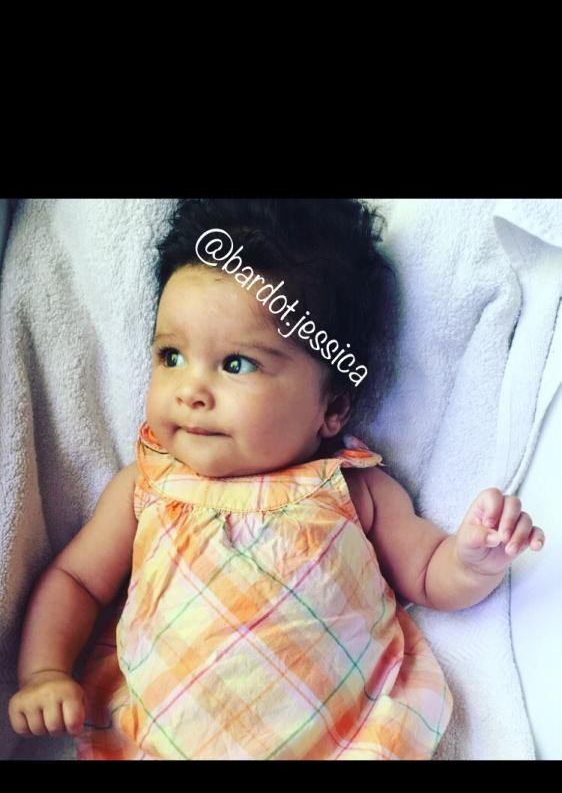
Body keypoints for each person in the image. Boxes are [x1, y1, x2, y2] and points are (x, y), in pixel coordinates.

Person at [7, 199, 545, 760]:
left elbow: (429, 573)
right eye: (171, 356)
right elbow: (76, 580)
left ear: (331, 408)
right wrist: (44, 671)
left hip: (343, 742)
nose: (191, 390)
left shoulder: (350, 488)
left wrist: (472, 561)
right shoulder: (148, 485)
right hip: (160, 740)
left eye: (236, 364)